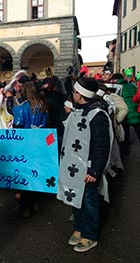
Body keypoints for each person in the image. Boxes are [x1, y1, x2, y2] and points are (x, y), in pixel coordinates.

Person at [57, 78, 113, 253]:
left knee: (88, 201)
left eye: (74, 92)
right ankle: (80, 227)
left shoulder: (97, 115)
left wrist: (95, 170)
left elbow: (101, 145)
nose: (72, 95)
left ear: (80, 95)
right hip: (73, 168)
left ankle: (90, 235)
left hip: (87, 169)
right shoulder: (77, 111)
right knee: (74, 198)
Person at [6, 81, 48, 218]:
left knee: (24, 176)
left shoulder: (21, 109)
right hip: (39, 146)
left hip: (24, 148)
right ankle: (35, 201)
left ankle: (25, 206)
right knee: (36, 174)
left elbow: (18, 131)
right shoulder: (44, 107)